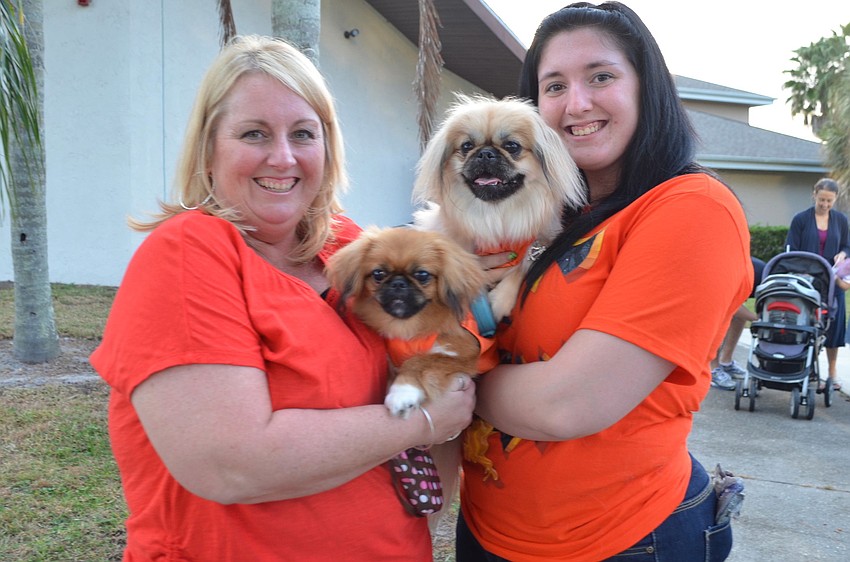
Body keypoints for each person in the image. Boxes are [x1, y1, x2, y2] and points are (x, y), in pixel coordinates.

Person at [89, 35, 475, 561]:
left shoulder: (344, 246)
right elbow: (232, 463)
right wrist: (425, 420)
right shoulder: (188, 253)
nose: (283, 157)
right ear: (208, 149)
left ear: (327, 146)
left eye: (303, 133)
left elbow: (447, 338)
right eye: (254, 133)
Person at [456, 3, 752, 561]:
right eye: (554, 85)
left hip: (624, 540)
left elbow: (568, 405)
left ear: (647, 87)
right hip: (487, 530)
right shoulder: (531, 213)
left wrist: (449, 385)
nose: (577, 103)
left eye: (601, 76)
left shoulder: (692, 209)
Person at [786, 177, 848, 392]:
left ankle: (832, 373)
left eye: (829, 201)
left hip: (832, 283)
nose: (824, 205)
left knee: (835, 327)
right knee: (806, 326)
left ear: (835, 199)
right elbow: (790, 249)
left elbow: (847, 246)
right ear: (814, 195)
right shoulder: (801, 219)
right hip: (807, 282)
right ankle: (803, 369)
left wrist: (843, 253)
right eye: (821, 199)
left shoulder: (840, 220)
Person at [710, 257, 766, 390]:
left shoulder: (764, 275)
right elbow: (730, 304)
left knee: (739, 317)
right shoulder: (728, 270)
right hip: (718, 282)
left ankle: (726, 362)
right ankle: (713, 369)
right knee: (718, 320)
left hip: (746, 278)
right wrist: (757, 318)